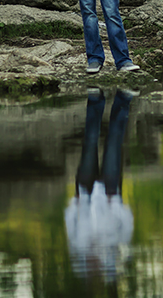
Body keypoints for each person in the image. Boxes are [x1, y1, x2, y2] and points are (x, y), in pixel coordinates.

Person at [64, 87, 136, 281]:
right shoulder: (115, 246)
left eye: (91, 264)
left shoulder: (78, 244)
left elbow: (70, 220)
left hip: (85, 192)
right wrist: (117, 204)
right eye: (95, 265)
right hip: (111, 192)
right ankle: (122, 101)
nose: (93, 262)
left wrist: (75, 202)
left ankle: (96, 99)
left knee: (90, 142)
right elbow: (128, 223)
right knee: (114, 143)